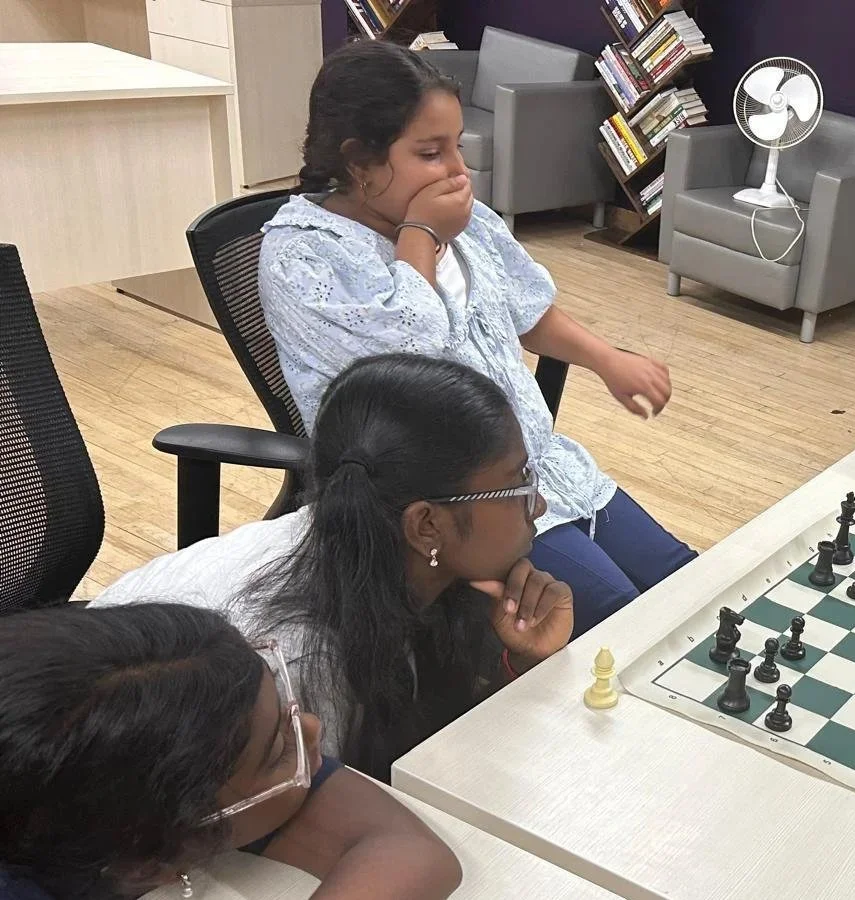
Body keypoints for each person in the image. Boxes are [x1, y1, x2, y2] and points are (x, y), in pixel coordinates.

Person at [258, 39, 693, 636]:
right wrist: (420, 235)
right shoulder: (303, 256)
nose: (458, 171)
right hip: (450, 505)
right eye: (431, 153)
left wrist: (607, 360)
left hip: (537, 469)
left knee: (687, 584)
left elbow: (525, 310)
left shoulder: (462, 222)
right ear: (358, 162)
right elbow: (410, 362)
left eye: (457, 146)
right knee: (622, 623)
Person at [97, 354, 575, 781]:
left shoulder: (385, 545)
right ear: (426, 525)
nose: (539, 503)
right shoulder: (296, 664)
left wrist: (524, 662)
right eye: (519, 483)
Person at [0, 603, 461, 900]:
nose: (312, 728)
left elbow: (411, 852)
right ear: (151, 860)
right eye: (279, 750)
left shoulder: (139, 774)